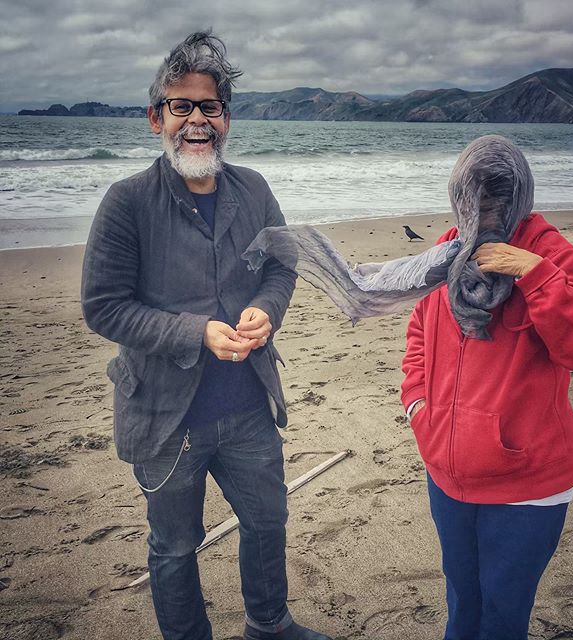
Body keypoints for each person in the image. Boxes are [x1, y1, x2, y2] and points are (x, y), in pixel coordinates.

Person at [81, 31, 331, 640]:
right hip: (167, 418)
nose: (197, 119)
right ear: (155, 118)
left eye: (210, 106)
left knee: (268, 521)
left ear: (226, 118)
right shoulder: (127, 202)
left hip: (248, 405)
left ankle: (269, 626)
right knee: (173, 547)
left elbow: (281, 264)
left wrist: (268, 311)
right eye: (181, 105)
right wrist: (196, 333)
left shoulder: (253, 190)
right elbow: (104, 307)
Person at [401, 136, 573, 640]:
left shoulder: (552, 254)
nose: (487, 212)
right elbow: (418, 330)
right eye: (475, 200)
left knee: (502, 613)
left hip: (527, 482)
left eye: (499, 199)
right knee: (462, 602)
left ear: (522, 195)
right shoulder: (450, 249)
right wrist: (417, 405)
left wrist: (534, 275)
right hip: (448, 473)